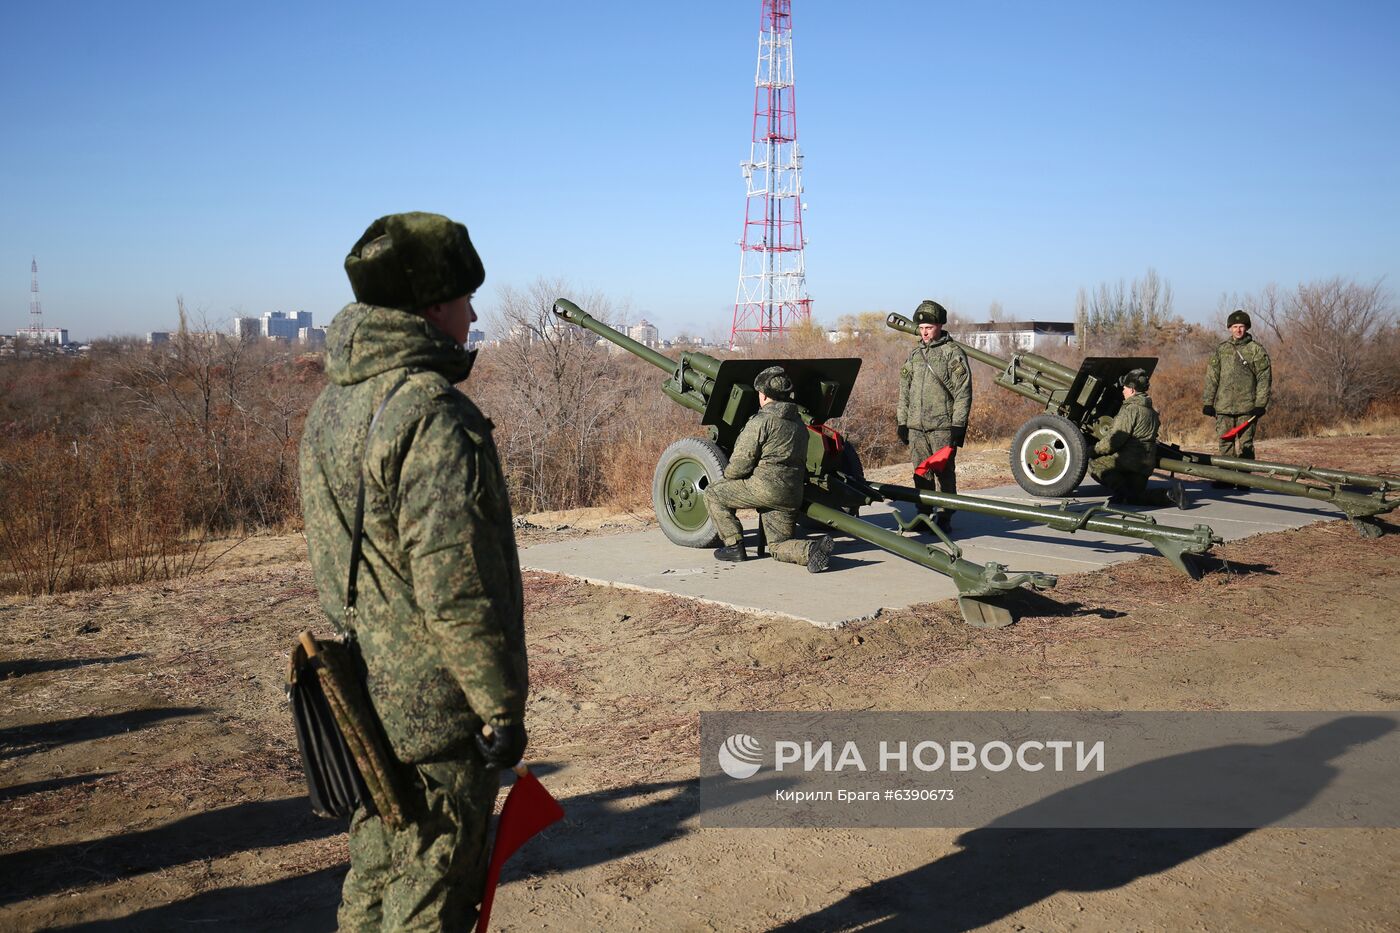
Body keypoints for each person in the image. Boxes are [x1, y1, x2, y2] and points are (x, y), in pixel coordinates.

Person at [299, 212, 529, 931]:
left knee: (375, 873)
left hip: (362, 694)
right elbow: (455, 586)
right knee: (432, 889)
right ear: (431, 305)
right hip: (433, 709)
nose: (474, 311)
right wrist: (498, 708)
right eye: (464, 296)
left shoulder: (333, 406)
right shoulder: (431, 415)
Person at [702, 365, 835, 572]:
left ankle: (734, 546)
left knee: (713, 494)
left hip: (764, 489)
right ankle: (811, 550)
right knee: (777, 545)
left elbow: (741, 462)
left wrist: (729, 477)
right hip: (791, 493)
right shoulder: (798, 423)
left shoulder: (762, 421)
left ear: (763, 395)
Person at [896, 299, 972, 531]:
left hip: (942, 427)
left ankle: (945, 516)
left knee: (944, 474)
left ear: (939, 326)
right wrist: (902, 422)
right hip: (916, 427)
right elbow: (904, 391)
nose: (924, 332)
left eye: (928, 327)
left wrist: (958, 426)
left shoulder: (952, 354)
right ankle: (924, 515)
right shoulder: (915, 355)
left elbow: (963, 392)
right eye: (921, 328)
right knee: (921, 472)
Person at [1090, 368, 1187, 509]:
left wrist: (1093, 450)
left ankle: (1122, 494)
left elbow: (1115, 440)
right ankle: (1170, 494)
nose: (1123, 390)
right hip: (1145, 464)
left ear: (1132, 390)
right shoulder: (1151, 411)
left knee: (1095, 465)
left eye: (1125, 387)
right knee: (1136, 497)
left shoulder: (1131, 410)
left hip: (1130, 461)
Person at [1202, 308, 1272, 461]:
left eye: (1241, 326)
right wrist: (1208, 402)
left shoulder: (1256, 350)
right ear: (1229, 328)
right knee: (1225, 443)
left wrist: (1260, 404)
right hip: (1223, 407)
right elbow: (1212, 377)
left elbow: (1264, 378)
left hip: (1247, 408)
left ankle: (1244, 480)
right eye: (1234, 327)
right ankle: (1227, 477)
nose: (1238, 330)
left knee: (1246, 444)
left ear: (1246, 327)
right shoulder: (1222, 349)